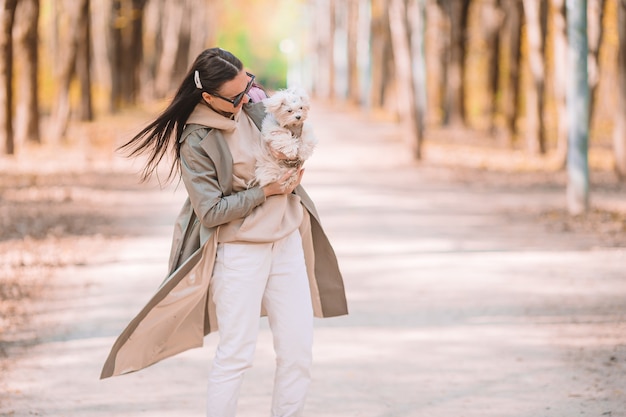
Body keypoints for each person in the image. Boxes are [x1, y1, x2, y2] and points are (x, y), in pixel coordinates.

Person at [100, 47, 348, 417]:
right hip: (240, 251)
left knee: (298, 352)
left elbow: (292, 138)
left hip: (286, 241)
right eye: (236, 95)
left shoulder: (256, 107)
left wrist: (294, 166)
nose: (247, 96)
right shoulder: (196, 142)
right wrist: (266, 191)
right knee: (236, 354)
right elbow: (211, 211)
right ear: (208, 97)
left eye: (247, 84)